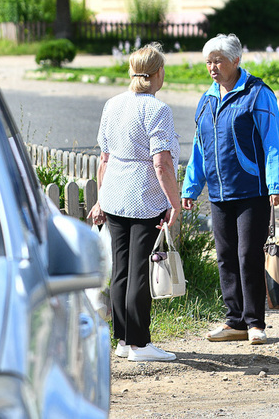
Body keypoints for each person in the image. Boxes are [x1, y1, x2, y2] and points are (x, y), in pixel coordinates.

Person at [181, 33, 279, 345]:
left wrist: (276, 183)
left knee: (247, 255)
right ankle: (235, 321)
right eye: (209, 62)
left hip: (251, 191)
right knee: (225, 256)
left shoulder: (258, 94)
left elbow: (273, 141)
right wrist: (191, 186)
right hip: (218, 192)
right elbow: (199, 147)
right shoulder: (207, 99)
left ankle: (255, 323)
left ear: (236, 61)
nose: (213, 67)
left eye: (219, 61)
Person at [87, 42, 182, 363]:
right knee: (140, 271)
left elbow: (103, 158)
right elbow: (162, 163)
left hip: (114, 196)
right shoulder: (158, 110)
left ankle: (124, 341)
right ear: (158, 74)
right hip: (144, 198)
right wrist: (175, 202)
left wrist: (100, 198)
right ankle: (141, 344)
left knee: (122, 270)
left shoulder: (112, 105)